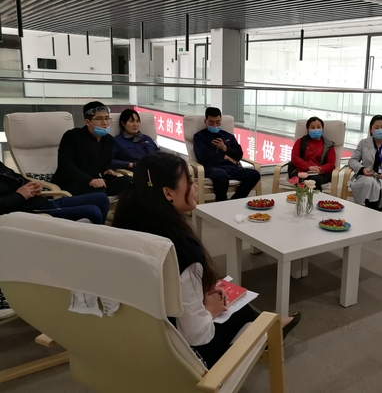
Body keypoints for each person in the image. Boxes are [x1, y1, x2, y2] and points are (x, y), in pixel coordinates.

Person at [112, 152, 300, 368]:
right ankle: (271, 330)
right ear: (168, 193)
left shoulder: (125, 228)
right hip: (187, 356)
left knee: (231, 298)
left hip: (141, 338)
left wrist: (200, 296)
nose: (196, 188)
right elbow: (197, 335)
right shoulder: (180, 248)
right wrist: (209, 310)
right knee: (230, 306)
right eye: (190, 181)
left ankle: (274, 325)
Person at [52, 101, 133, 197]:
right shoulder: (72, 136)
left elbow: (107, 161)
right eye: (99, 119)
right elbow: (65, 165)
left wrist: (108, 169)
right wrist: (89, 180)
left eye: (107, 118)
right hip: (72, 183)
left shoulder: (109, 140)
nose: (104, 123)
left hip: (99, 181)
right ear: (87, 122)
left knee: (129, 182)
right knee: (99, 192)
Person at [0, 160, 109, 224]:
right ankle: (96, 242)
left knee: (101, 198)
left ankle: (102, 234)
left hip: (42, 201)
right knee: (93, 211)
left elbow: (18, 177)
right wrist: (20, 195)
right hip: (29, 211)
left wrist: (32, 186)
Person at [193, 107, 260, 202]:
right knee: (220, 175)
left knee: (254, 174)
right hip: (211, 168)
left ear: (221, 121)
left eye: (218, 122)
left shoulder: (228, 136)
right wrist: (225, 156)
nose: (215, 125)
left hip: (231, 167)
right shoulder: (199, 136)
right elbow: (202, 155)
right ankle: (221, 202)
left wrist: (225, 148)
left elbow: (239, 154)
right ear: (205, 121)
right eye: (211, 122)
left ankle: (235, 200)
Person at [288, 117, 337, 191]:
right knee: (301, 180)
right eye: (313, 128)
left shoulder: (328, 145)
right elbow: (294, 157)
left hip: (319, 173)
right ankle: (302, 198)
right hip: (300, 171)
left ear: (322, 128)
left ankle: (314, 198)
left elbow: (331, 163)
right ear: (308, 129)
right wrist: (308, 167)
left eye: (318, 127)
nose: (316, 129)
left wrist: (319, 169)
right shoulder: (300, 142)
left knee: (314, 181)